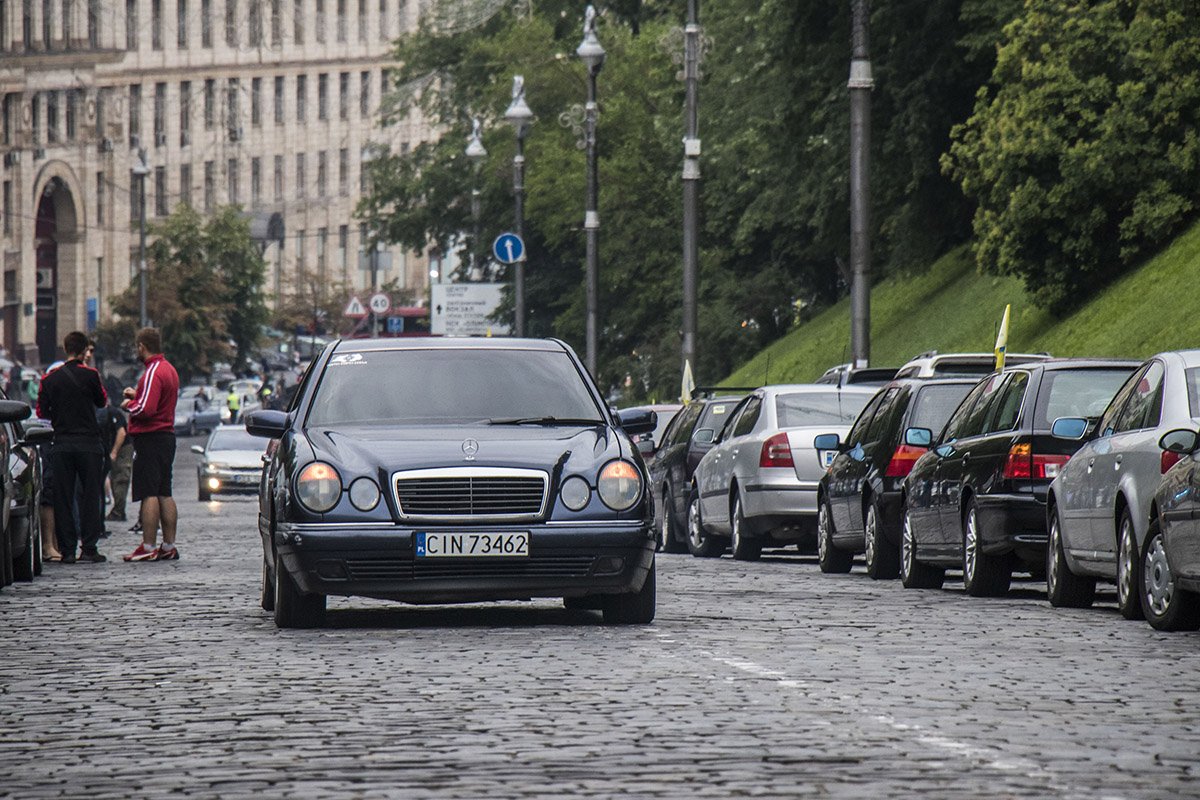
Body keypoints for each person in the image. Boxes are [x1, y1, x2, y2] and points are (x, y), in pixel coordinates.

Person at [36, 331, 108, 564]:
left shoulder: (49, 379)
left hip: (62, 443)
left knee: (63, 497)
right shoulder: (91, 375)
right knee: (90, 496)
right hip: (89, 443)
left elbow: (41, 412)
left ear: (65, 349)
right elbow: (101, 401)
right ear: (83, 350)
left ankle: (67, 550)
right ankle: (88, 547)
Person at [121, 328, 180, 562]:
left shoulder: (153, 371)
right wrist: (138, 394)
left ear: (142, 347)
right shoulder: (169, 369)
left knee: (149, 492)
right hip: (166, 436)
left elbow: (146, 409)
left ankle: (147, 546)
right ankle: (168, 545)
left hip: (151, 437)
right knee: (165, 491)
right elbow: (156, 399)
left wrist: (128, 404)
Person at [96, 397, 127, 535]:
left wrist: (114, 452)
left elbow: (122, 433)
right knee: (112, 479)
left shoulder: (113, 412)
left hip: (123, 446)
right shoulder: (104, 413)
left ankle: (118, 511)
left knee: (120, 477)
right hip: (110, 447)